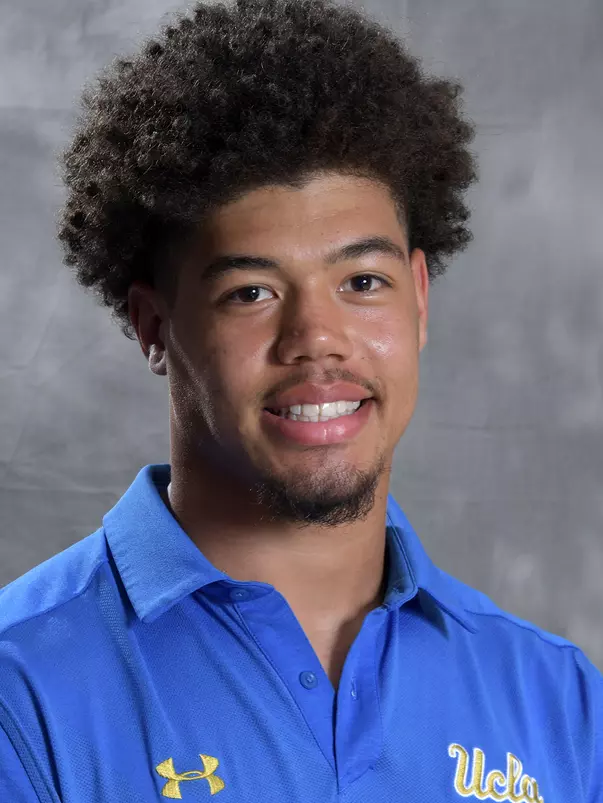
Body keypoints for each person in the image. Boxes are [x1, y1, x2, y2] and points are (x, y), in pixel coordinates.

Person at [1, 0, 601, 799]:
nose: (316, 337)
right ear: (153, 326)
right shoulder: (21, 690)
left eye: (362, 282)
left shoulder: (559, 701)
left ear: (418, 301)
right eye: (251, 291)